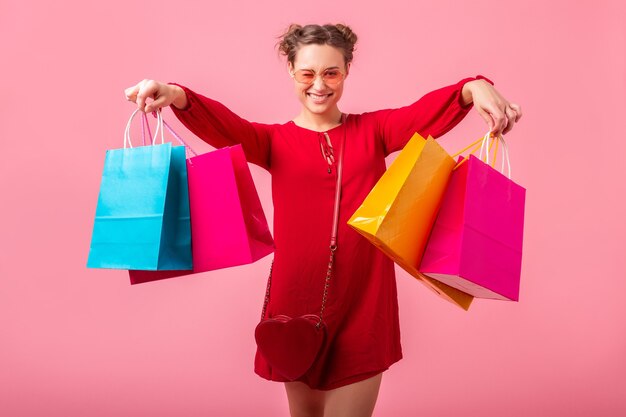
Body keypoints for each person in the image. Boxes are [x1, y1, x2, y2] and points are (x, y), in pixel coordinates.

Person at [125, 23, 521, 417]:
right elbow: (227, 126)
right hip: (293, 304)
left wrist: (474, 87)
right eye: (308, 73)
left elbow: (423, 113)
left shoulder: (375, 131)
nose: (319, 84)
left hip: (362, 303)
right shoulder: (273, 140)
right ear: (292, 73)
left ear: (346, 70)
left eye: (331, 72)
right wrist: (176, 95)